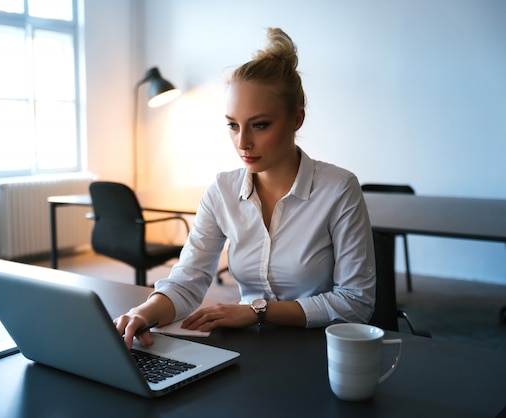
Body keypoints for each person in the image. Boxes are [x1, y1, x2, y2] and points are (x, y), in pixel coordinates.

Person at [116, 27, 376, 349]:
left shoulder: (338, 189)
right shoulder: (222, 191)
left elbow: (356, 303)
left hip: (319, 348)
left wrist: (258, 312)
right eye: (233, 125)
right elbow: (187, 281)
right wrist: (144, 312)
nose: (243, 143)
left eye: (260, 125)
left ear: (297, 119)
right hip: (250, 347)